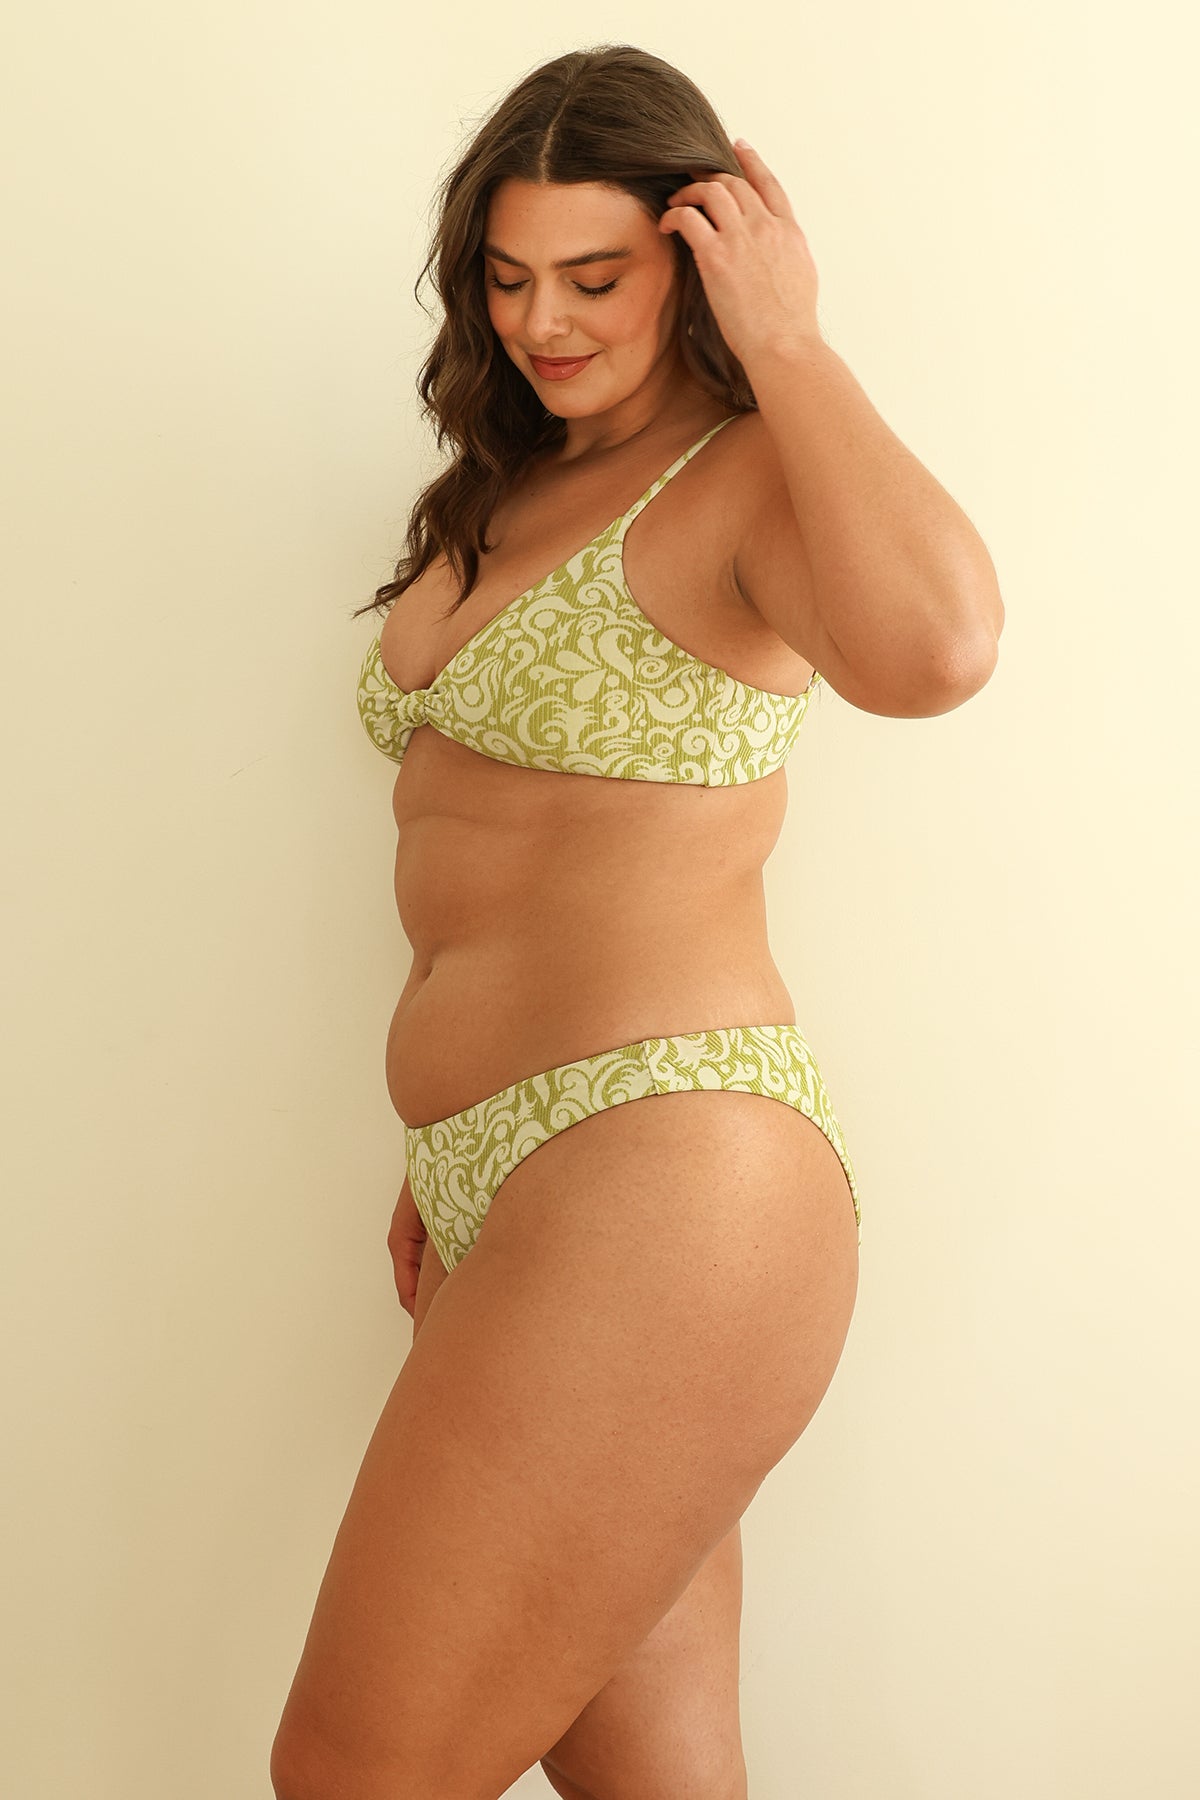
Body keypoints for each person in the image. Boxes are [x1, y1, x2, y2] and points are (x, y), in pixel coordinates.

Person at [271, 43, 1003, 1800]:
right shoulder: (496, 494)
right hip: (509, 1183)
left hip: (667, 1164)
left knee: (353, 1772)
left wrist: (794, 344)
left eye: (595, 277)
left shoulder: (742, 475)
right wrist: (459, 1148)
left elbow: (941, 653)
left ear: (698, 258)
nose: (545, 320)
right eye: (509, 277)